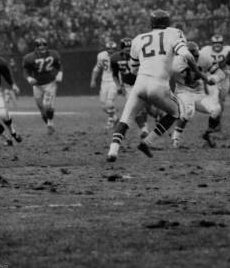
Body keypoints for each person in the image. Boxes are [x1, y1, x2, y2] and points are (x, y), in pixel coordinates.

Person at [106, 9, 210, 162]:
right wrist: (201, 75)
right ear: (167, 22)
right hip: (159, 84)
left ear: (151, 22)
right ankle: (147, 143)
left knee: (126, 118)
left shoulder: (138, 38)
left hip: (140, 83)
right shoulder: (174, 33)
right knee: (177, 112)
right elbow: (187, 55)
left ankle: (113, 151)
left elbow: (133, 68)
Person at [170, 41, 222, 148]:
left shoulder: (204, 58)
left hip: (199, 93)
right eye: (190, 58)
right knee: (188, 111)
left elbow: (220, 73)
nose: (194, 60)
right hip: (183, 92)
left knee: (216, 109)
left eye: (195, 56)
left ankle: (207, 135)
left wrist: (214, 78)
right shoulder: (175, 64)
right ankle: (175, 140)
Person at [22, 37, 63, 134]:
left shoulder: (54, 54)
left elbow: (59, 65)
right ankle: (48, 124)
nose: (42, 49)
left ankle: (50, 123)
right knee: (41, 108)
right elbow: (25, 71)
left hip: (50, 83)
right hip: (37, 85)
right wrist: (29, 78)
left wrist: (60, 73)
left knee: (46, 105)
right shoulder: (29, 58)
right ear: (36, 48)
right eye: (40, 47)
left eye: (44, 47)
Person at [90, 40, 119, 128]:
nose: (110, 51)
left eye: (112, 49)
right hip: (104, 81)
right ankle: (114, 116)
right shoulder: (101, 55)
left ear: (115, 49)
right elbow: (97, 68)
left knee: (109, 102)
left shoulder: (119, 56)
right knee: (103, 104)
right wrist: (93, 80)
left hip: (115, 81)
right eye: (108, 49)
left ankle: (110, 121)